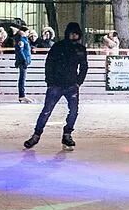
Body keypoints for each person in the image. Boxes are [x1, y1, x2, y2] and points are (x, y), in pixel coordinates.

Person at [23, 22, 88, 151]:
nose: (74, 35)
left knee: (73, 111)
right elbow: (49, 63)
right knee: (47, 110)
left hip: (71, 85)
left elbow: (84, 67)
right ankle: (36, 135)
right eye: (72, 33)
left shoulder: (80, 49)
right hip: (56, 84)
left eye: (76, 33)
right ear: (68, 33)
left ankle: (67, 133)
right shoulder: (58, 47)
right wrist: (50, 81)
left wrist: (78, 82)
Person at [13, 26, 32, 101]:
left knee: (22, 78)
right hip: (23, 62)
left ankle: (22, 94)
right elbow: (20, 51)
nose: (28, 34)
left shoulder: (24, 39)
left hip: (24, 61)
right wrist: (24, 60)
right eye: (27, 32)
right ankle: (22, 95)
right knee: (22, 79)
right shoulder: (21, 40)